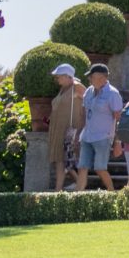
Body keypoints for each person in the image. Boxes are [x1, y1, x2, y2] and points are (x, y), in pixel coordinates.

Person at [77, 64, 124, 191]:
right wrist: (78, 134)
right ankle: (77, 196)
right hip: (87, 135)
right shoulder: (88, 91)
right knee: (82, 167)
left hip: (103, 137)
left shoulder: (113, 94)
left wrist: (118, 142)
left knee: (100, 168)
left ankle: (111, 192)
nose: (90, 80)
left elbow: (119, 119)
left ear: (102, 78)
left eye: (91, 77)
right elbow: (83, 114)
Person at [48, 62, 85, 190]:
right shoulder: (62, 89)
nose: (57, 78)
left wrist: (83, 126)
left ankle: (62, 189)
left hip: (70, 130)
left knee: (65, 159)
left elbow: (89, 102)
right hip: (58, 129)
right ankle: (62, 188)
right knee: (60, 159)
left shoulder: (77, 87)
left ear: (68, 76)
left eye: (59, 76)